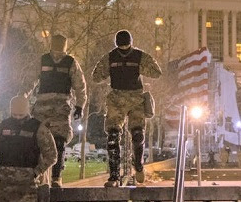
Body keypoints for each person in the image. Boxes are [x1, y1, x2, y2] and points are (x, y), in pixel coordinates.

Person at [92, 30, 161, 187]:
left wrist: (112, 70)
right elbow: (156, 72)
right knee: (137, 134)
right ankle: (138, 166)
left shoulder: (110, 57)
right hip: (136, 98)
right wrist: (139, 68)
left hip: (116, 98)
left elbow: (96, 76)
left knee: (113, 136)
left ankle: (114, 176)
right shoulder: (139, 56)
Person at [28, 34, 87, 188]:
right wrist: (80, 105)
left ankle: (46, 176)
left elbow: (30, 81)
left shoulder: (46, 60)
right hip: (58, 106)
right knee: (57, 142)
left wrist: (23, 96)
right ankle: (54, 177)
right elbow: (80, 86)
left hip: (48, 106)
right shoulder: (70, 62)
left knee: (44, 141)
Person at [0, 96, 57, 202]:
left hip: (27, 187)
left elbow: (52, 155)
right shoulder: (0, 128)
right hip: (3, 184)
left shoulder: (39, 129)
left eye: (21, 115)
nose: (17, 117)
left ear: (27, 110)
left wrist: (36, 172)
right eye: (14, 115)